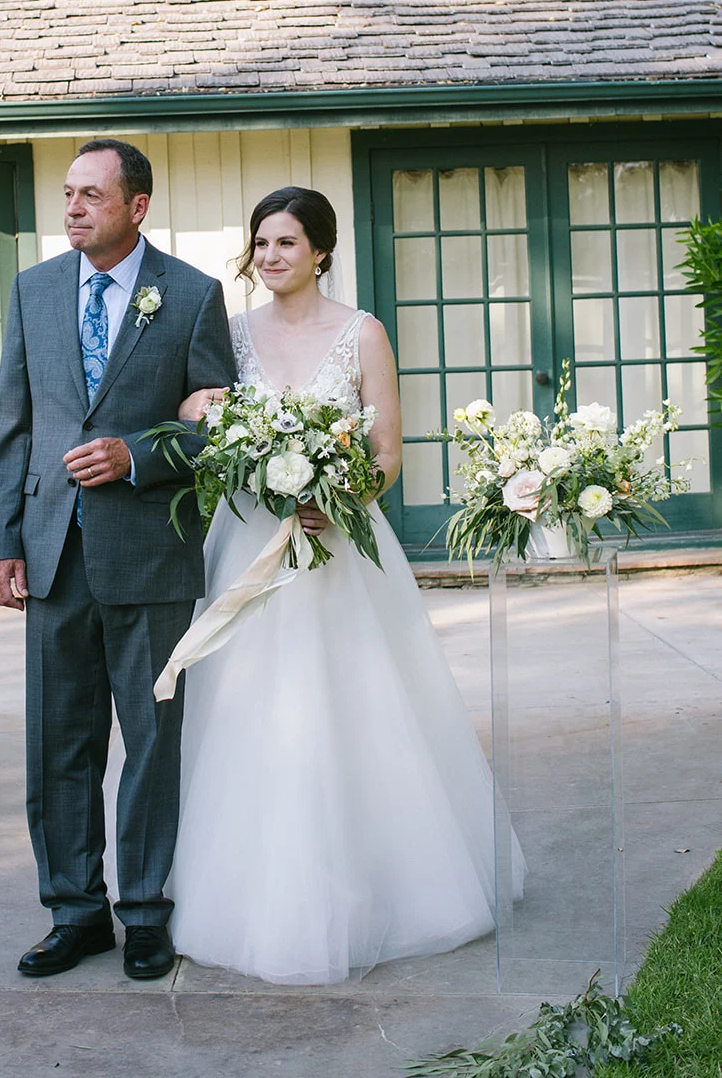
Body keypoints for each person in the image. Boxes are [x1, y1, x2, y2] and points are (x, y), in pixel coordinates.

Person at [168, 186, 520, 985]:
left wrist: (343, 493)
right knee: (239, 709)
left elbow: (386, 449)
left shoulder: (361, 332)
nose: (269, 257)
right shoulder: (230, 334)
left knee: (359, 708)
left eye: (286, 243)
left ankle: (381, 885)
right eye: (261, 243)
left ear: (320, 251)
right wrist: (198, 408)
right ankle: (237, 889)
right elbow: (198, 415)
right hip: (248, 542)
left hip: (337, 550)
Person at [0, 138, 236, 982]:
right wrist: (1, 540)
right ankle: (75, 912)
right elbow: (13, 425)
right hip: (51, 551)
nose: (73, 208)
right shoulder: (33, 290)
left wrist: (138, 456)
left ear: (137, 206)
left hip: (150, 555)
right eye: (67, 193)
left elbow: (220, 430)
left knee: (151, 742)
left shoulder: (192, 296)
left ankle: (145, 912)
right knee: (59, 742)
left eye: (91, 194)